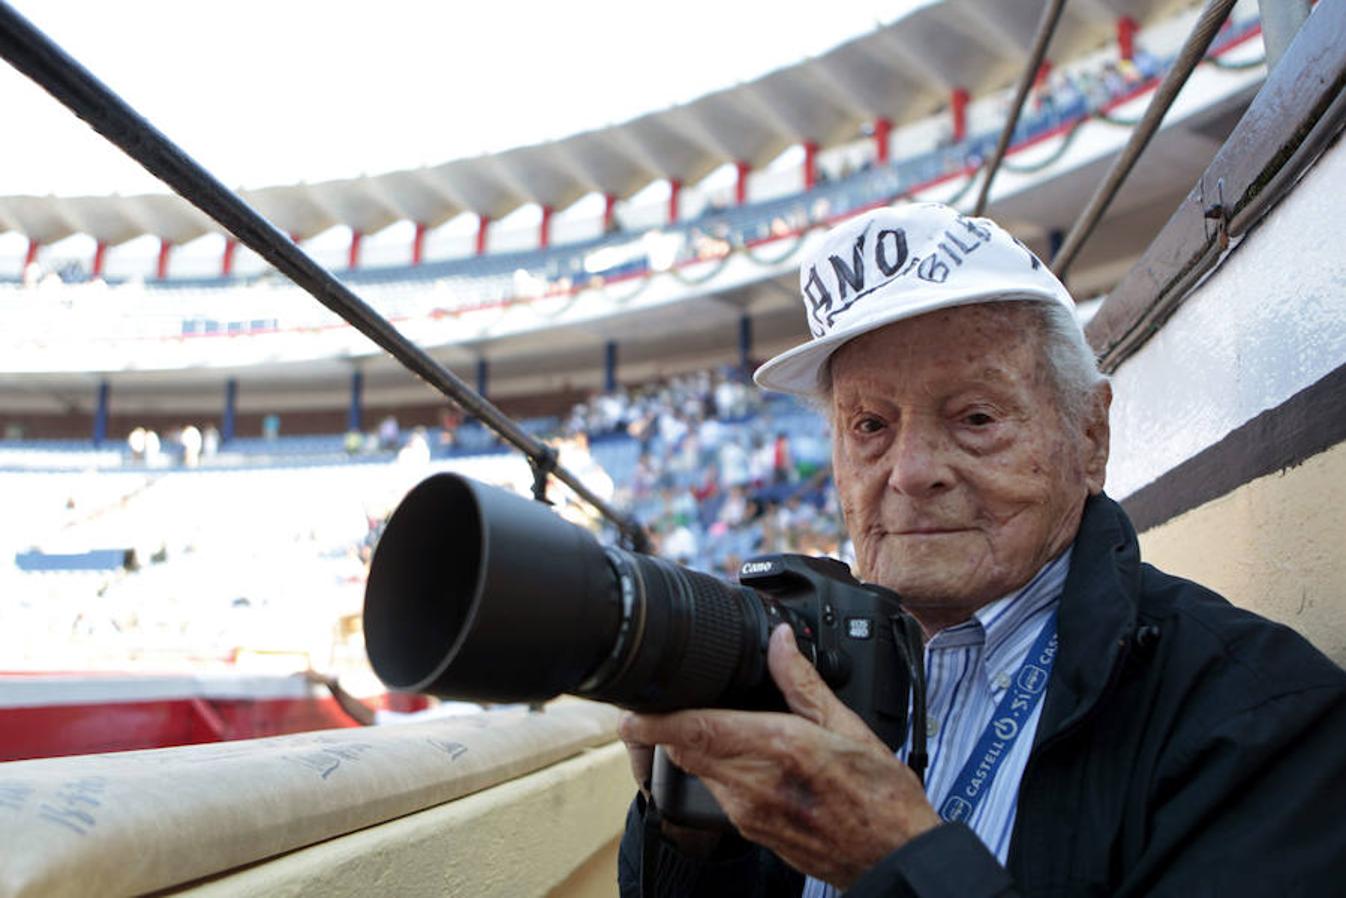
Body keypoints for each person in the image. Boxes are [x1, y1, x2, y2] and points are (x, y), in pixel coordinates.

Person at [616, 203, 1346, 896]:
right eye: (869, 426)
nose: (908, 472)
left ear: (1089, 438)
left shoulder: (1257, 717)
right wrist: (689, 842)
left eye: (975, 416)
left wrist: (896, 866)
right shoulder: (804, 664)